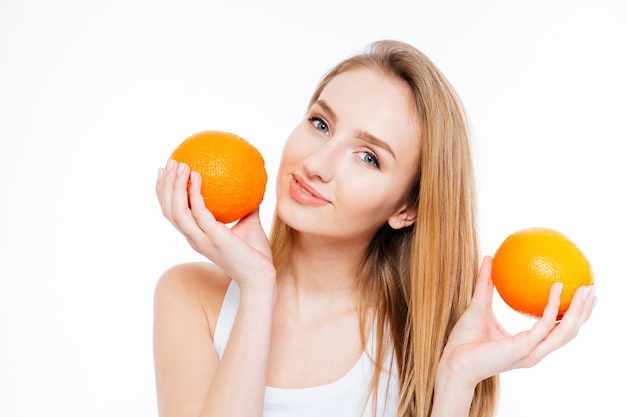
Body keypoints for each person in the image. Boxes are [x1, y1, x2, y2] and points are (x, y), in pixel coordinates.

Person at [154, 40, 596, 417]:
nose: (315, 164)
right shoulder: (191, 296)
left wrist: (457, 383)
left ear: (407, 208)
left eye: (369, 157)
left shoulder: (414, 338)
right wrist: (256, 288)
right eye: (320, 124)